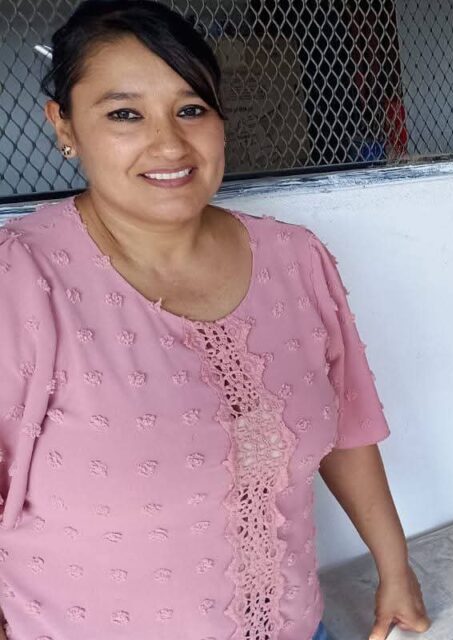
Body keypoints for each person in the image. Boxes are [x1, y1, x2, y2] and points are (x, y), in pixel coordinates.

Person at [0, 2, 430, 638]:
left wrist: (394, 568)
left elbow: (346, 427)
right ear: (63, 125)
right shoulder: (23, 283)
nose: (170, 143)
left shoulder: (295, 260)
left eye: (191, 109)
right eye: (125, 114)